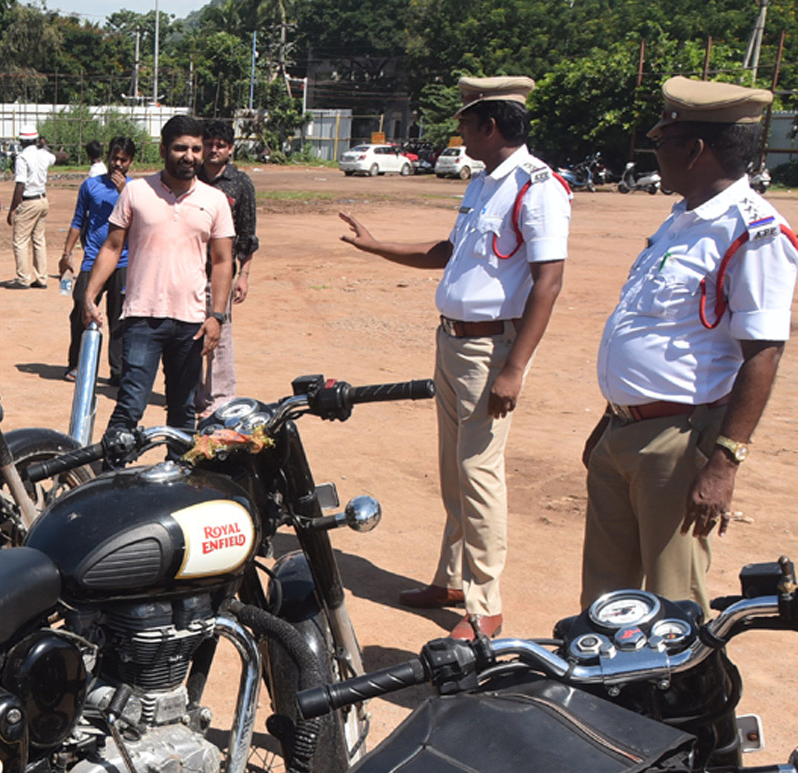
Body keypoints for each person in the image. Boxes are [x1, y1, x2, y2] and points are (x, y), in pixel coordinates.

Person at [339, 76, 571, 639]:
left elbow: (549, 280)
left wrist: (514, 367)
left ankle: (484, 606)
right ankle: (451, 579)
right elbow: (447, 252)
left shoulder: (537, 187)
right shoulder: (486, 182)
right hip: (454, 342)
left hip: (492, 348)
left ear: (490, 125)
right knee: (453, 469)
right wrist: (375, 245)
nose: (459, 131)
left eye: (465, 122)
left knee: (478, 472)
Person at [581, 78, 798, 617]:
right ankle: (610, 701)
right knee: (606, 602)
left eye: (662, 139)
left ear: (695, 148)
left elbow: (763, 353)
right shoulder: (681, 219)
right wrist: (610, 420)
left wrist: (725, 462)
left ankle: (687, 702)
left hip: (679, 442)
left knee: (673, 606)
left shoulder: (755, 233)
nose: (655, 151)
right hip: (624, 431)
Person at [85, 115, 234, 442]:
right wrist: (90, 295)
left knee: (182, 412)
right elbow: (112, 246)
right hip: (142, 318)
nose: (190, 156)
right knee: (129, 407)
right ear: (164, 149)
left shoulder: (214, 200)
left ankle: (182, 487)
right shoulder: (137, 192)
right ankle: (112, 481)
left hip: (191, 324)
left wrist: (217, 316)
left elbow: (223, 261)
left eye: (196, 149)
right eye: (181, 148)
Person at [194, 118, 258, 417]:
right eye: (209, 144)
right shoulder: (190, 177)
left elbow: (248, 233)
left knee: (220, 333)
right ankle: (193, 393)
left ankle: (220, 398)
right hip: (188, 269)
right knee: (189, 333)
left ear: (230, 149)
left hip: (221, 273)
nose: (214, 150)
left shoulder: (240, 183)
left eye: (220, 145)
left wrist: (243, 274)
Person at [60, 136, 137, 384]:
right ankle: (79, 365)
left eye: (123, 160)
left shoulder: (136, 190)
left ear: (131, 162)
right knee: (82, 308)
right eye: (114, 158)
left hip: (123, 261)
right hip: (93, 259)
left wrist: (124, 192)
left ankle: (118, 372)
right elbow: (77, 221)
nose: (117, 164)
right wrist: (66, 253)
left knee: (119, 318)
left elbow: (143, 222)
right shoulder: (90, 186)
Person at [6, 129, 66, 289]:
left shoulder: (22, 158)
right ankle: (41, 278)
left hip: (28, 201)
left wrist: (12, 209)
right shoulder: (43, 154)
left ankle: (23, 278)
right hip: (42, 199)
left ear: (21, 141)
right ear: (36, 140)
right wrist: (48, 148)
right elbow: (60, 157)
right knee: (38, 240)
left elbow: (20, 185)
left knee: (20, 241)